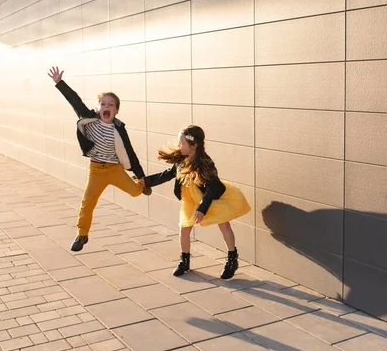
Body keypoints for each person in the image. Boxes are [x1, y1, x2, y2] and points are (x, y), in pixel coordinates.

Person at [47, 66, 151, 252]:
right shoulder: (90, 119)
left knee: (136, 192)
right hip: (96, 170)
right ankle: (82, 235)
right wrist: (59, 83)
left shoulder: (119, 129)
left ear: (116, 110)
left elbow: (130, 153)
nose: (106, 107)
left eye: (111, 105)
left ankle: (141, 184)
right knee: (87, 203)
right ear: (98, 107)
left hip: (115, 169)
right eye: (103, 104)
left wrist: (140, 175)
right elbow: (75, 101)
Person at [140, 125, 250, 279]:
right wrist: (145, 182)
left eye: (182, 143)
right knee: (184, 229)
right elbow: (166, 175)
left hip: (210, 198)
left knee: (224, 223)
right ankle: (184, 261)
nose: (179, 146)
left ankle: (232, 259)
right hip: (191, 199)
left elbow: (212, 188)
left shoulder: (205, 163)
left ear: (194, 145)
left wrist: (202, 209)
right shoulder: (182, 160)